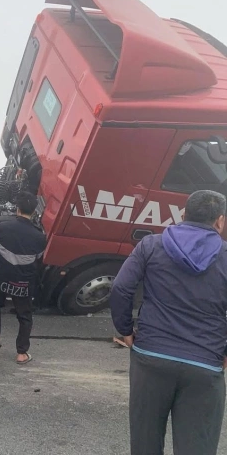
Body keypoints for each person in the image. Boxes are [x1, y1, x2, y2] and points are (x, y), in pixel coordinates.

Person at [110, 189, 227, 455]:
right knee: (196, 446)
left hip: (151, 355)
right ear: (220, 221)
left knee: (145, 442)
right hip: (204, 362)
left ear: (183, 214)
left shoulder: (151, 245)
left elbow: (120, 288)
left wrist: (126, 330)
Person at [0, 192, 46, 364]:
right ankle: (21, 353)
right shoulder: (40, 236)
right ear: (34, 211)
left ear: (17, 209)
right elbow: (38, 258)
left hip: (1, 277)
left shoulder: (3, 227)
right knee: (24, 315)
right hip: (23, 281)